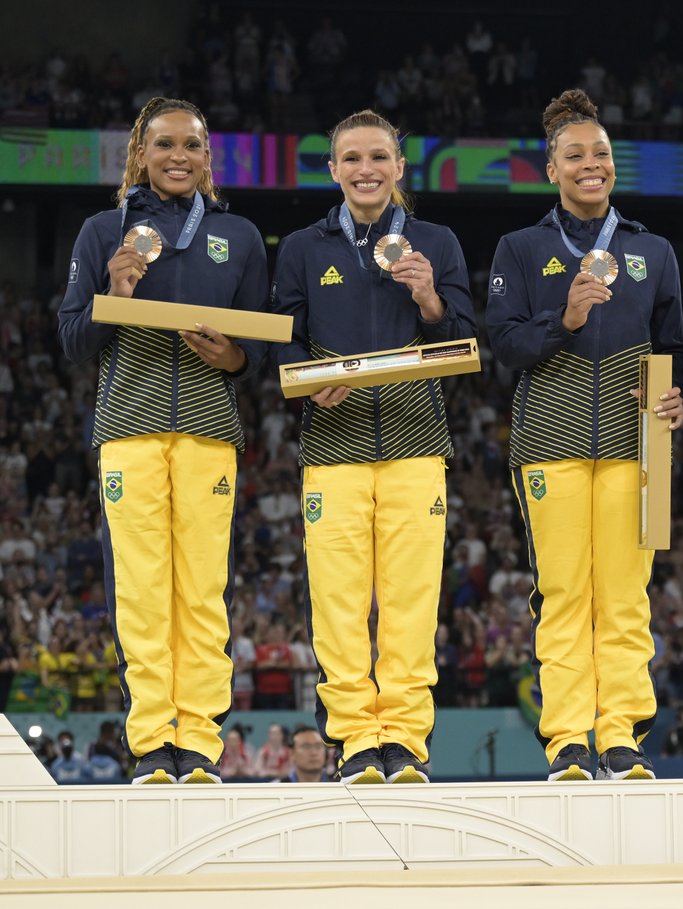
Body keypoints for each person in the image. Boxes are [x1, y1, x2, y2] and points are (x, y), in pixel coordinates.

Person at [58, 96, 268, 785]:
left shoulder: (238, 236)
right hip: (128, 429)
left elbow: (260, 351)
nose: (178, 156)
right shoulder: (102, 232)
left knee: (202, 590)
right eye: (164, 144)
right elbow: (73, 341)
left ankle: (200, 741)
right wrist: (111, 290)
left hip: (209, 433)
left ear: (209, 158)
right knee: (143, 591)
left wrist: (232, 358)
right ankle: (153, 742)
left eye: (193, 145)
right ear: (140, 155)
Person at [486, 89, 683, 781]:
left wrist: (674, 396)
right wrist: (564, 319)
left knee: (627, 594)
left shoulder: (653, 250)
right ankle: (570, 736)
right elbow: (503, 345)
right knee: (567, 591)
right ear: (552, 170)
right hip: (551, 438)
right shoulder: (521, 248)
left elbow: (673, 350)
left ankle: (622, 731)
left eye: (600, 154)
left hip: (639, 442)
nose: (589, 165)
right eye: (575, 155)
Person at [272, 109, 474, 784]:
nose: (366, 170)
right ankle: (357, 737)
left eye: (379, 157)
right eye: (352, 158)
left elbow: (466, 338)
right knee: (338, 604)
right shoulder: (303, 246)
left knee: (414, 601)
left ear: (398, 167)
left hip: (418, 443)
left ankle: (406, 739)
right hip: (333, 446)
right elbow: (284, 339)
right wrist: (307, 385)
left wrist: (428, 298)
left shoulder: (437, 242)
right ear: (333, 169)